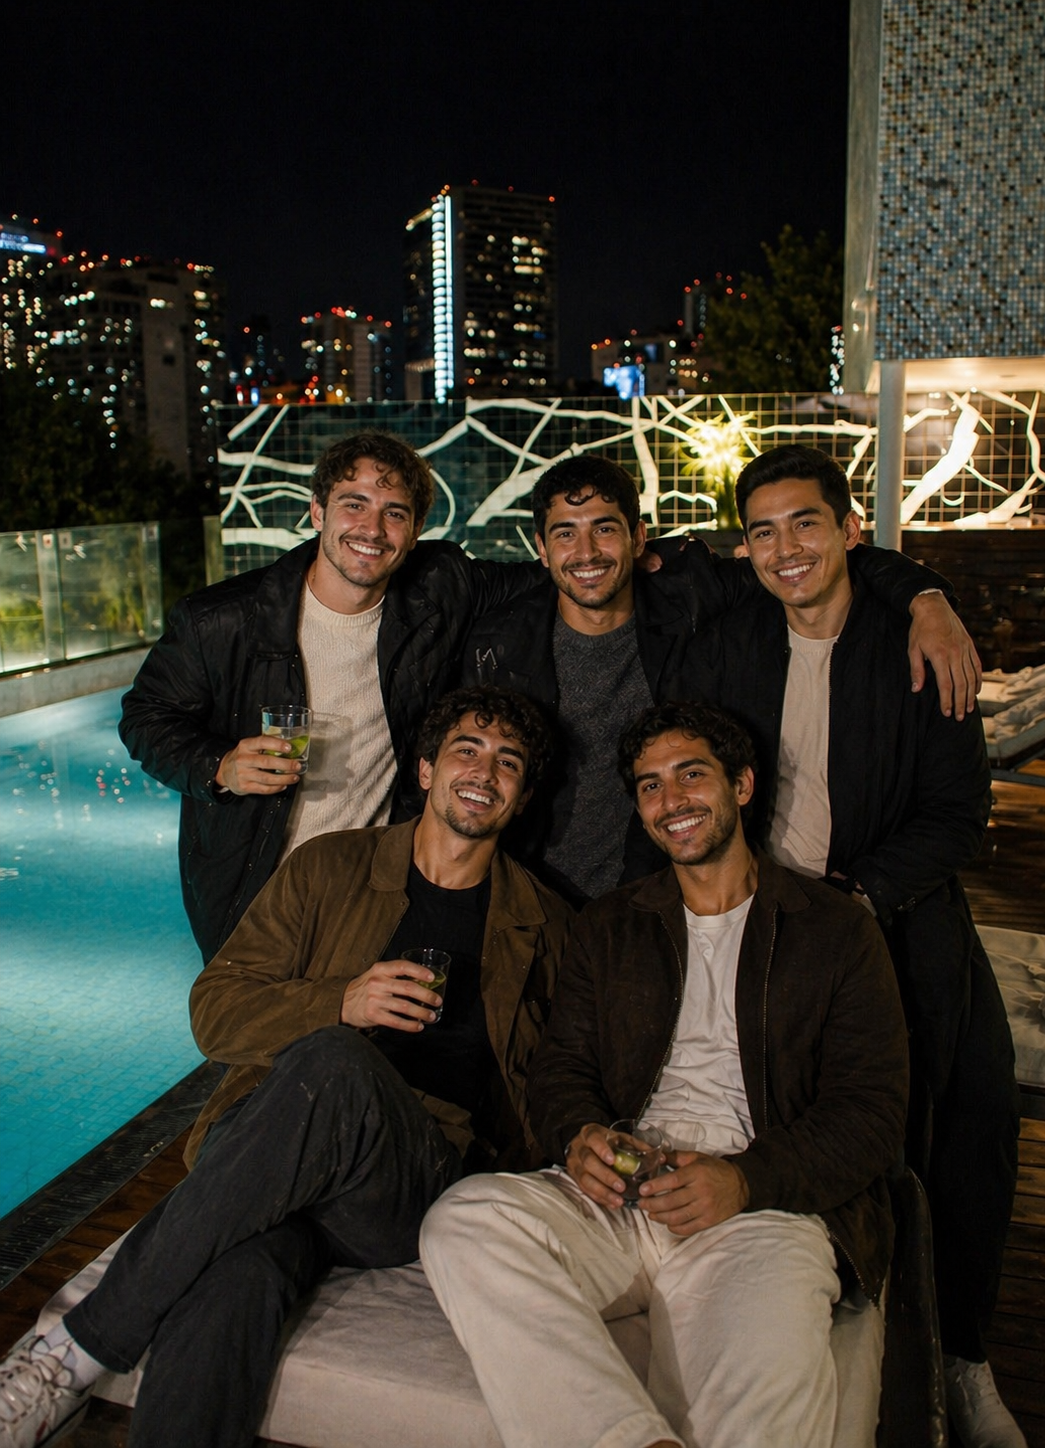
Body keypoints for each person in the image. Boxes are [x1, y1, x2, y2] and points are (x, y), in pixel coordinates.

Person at [0, 688, 571, 1448]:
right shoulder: (328, 868)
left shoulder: (545, 923)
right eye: (467, 749)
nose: (484, 772)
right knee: (234, 1279)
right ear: (427, 771)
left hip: (405, 1179)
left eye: (508, 763)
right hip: (280, 1161)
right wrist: (342, 1000)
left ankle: (77, 1349)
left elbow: (566, 1077)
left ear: (523, 796)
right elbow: (216, 1012)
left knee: (337, 1062)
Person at [420, 701, 909, 1448]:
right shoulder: (611, 925)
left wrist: (745, 1179)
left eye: (690, 776)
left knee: (760, 1400)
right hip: (623, 1191)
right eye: (649, 786)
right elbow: (560, 1071)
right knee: (465, 1221)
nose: (670, 800)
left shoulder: (834, 928)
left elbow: (871, 1113)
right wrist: (578, 1136)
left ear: (741, 785)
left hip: (757, 1204)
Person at [689, 444, 1023, 1448]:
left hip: (892, 917)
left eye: (807, 523)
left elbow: (960, 815)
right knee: (788, 1128)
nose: (786, 548)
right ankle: (831, 1320)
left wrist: (860, 895)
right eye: (763, 530)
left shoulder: (915, 646)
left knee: (960, 1130)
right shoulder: (727, 637)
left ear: (848, 530)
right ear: (743, 545)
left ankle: (962, 1355)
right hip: (760, 934)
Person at [464, 453, 981, 903]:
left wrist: (926, 598)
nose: (586, 553)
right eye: (565, 534)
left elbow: (818, 566)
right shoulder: (500, 642)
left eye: (603, 528)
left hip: (663, 889)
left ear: (639, 536)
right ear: (540, 546)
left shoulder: (694, 604)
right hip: (530, 891)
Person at [120, 430, 540, 962]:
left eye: (394, 513)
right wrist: (220, 765)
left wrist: (661, 559)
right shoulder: (220, 620)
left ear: (414, 533)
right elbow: (144, 717)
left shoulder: (438, 589)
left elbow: (557, 572)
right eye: (354, 504)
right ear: (318, 511)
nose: (372, 528)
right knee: (247, 1037)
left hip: (372, 893)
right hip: (256, 887)